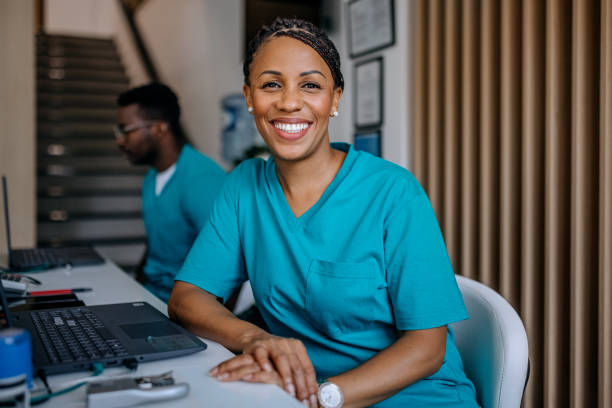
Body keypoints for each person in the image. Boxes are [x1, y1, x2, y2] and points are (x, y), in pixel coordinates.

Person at [169, 18, 478, 408]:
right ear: (250, 97)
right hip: (299, 395)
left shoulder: (393, 192)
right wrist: (255, 338)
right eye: (271, 84)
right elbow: (187, 297)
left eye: (310, 85)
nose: (289, 101)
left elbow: (427, 348)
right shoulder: (243, 186)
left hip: (412, 396)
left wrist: (321, 396)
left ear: (334, 100)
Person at [115, 82, 226, 302]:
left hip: (184, 308)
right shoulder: (152, 177)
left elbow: (228, 262)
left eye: (126, 131)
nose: (120, 141)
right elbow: (157, 243)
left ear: (159, 128)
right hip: (151, 296)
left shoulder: (202, 180)